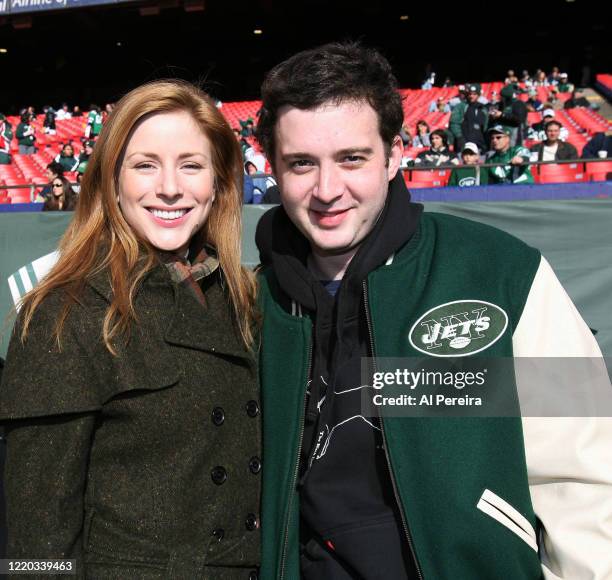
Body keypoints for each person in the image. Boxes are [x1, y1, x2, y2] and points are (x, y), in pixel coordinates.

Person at [255, 42, 612, 578]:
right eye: (302, 164)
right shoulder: (248, 302)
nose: (328, 190)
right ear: (273, 167)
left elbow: (585, 477)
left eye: (352, 158)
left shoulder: (500, 273)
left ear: (395, 154)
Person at [0, 79, 261, 577]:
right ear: (111, 183)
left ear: (220, 182)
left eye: (191, 165)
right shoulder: (64, 313)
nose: (169, 187)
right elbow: (38, 535)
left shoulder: (241, 297)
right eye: (145, 165)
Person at [449, 83, 489, 152]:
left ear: (479, 95)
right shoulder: (461, 106)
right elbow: (454, 123)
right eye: (470, 94)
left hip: (479, 144)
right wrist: (459, 137)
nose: (471, 96)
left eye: (474, 94)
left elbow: (485, 126)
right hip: (464, 143)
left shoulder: (483, 109)